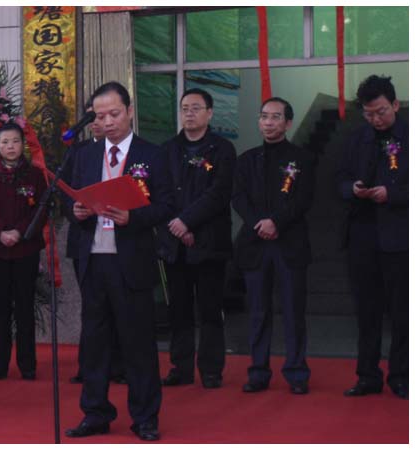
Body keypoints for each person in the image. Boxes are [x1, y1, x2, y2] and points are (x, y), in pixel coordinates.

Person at [64, 82, 174, 441]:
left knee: (137, 343)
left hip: (131, 261)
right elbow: (69, 199)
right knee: (94, 343)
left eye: (114, 113)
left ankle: (145, 417)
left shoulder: (152, 154)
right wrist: (76, 210)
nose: (108, 121)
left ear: (129, 111)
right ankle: (95, 412)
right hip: (93, 259)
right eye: (100, 116)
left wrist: (134, 217)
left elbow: (166, 205)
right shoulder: (84, 155)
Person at [232, 97, 316, 395]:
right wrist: (260, 223)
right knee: (258, 311)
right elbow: (238, 197)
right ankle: (258, 371)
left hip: (290, 244)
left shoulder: (302, 158)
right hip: (255, 245)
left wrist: (275, 222)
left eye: (275, 117)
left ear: (288, 123)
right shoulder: (247, 159)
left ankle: (296, 372)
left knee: (293, 311)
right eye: (264, 116)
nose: (268, 122)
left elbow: (303, 199)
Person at [156, 88, 236, 389]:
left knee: (210, 309)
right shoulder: (167, 149)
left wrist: (187, 222)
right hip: (175, 244)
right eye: (184, 108)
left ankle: (212, 369)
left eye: (195, 108)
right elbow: (161, 192)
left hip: (209, 242)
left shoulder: (223, 149)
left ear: (210, 113)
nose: (189, 113)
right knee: (178, 310)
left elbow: (219, 193)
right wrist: (178, 226)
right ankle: (181, 367)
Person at [336, 75, 408, 400]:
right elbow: (338, 178)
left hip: (400, 237)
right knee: (366, 312)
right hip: (362, 236)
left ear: (395, 104)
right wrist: (351, 188)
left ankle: (401, 376)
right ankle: (367, 376)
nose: (376, 119)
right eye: (369, 114)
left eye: (381, 112)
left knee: (402, 313)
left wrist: (392, 194)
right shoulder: (356, 138)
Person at [0, 122, 47, 381]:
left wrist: (20, 232)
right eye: (5, 142)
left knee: (25, 307)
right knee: (1, 308)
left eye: (15, 141)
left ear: (22, 144)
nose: (10, 146)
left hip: (26, 249)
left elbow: (41, 209)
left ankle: (28, 364)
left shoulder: (34, 175)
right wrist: (1, 232)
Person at [62, 99, 126, 386]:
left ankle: (120, 366)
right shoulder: (79, 153)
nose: (100, 122)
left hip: (121, 240)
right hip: (86, 240)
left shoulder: (130, 151)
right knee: (92, 309)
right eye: (94, 117)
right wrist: (74, 210)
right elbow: (65, 192)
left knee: (120, 307)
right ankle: (90, 367)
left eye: (106, 115)